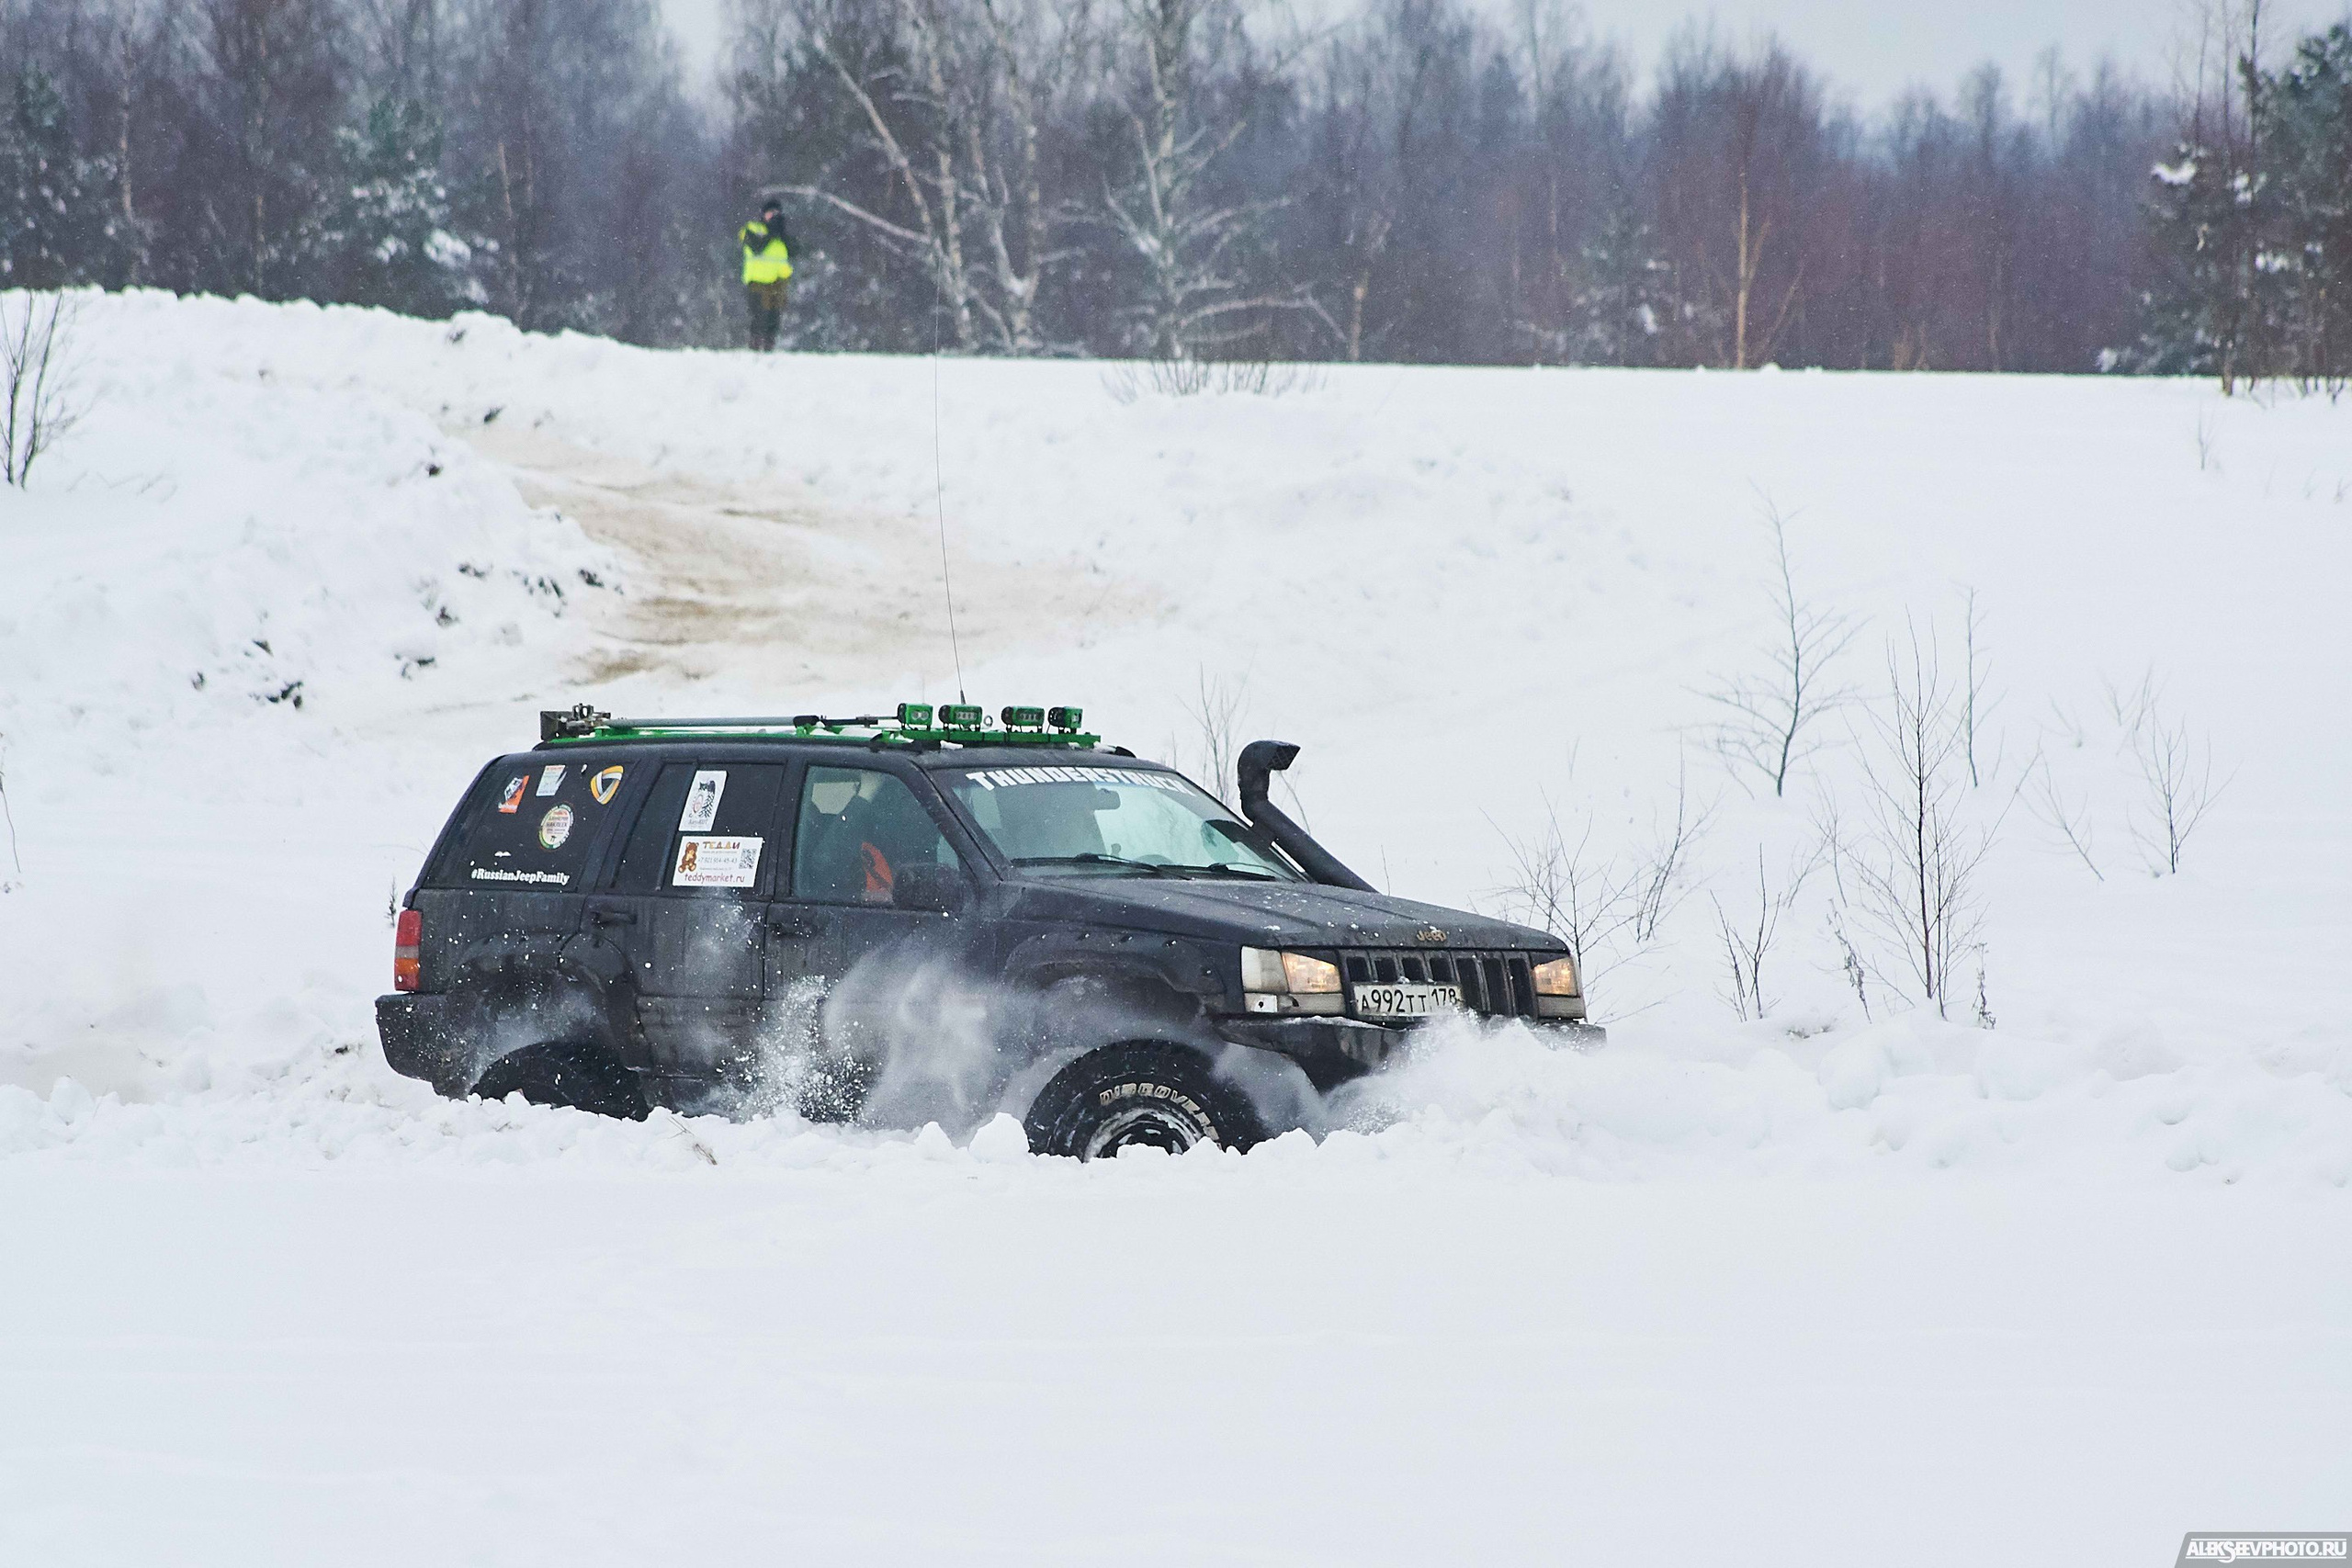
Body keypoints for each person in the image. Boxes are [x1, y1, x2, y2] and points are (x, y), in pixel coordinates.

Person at [739, 199, 795, 352]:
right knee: (758, 315)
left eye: (777, 213)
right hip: (757, 280)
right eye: (771, 213)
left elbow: (795, 251)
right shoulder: (752, 228)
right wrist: (771, 232)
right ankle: (754, 346)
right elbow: (756, 246)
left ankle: (769, 346)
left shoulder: (780, 233)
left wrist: (781, 233)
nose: (774, 216)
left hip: (778, 280)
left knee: (773, 316)